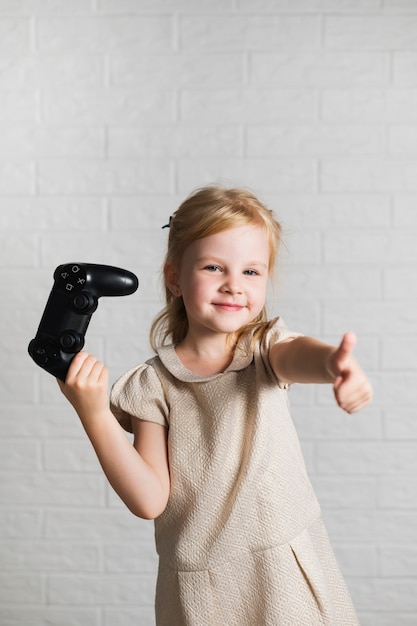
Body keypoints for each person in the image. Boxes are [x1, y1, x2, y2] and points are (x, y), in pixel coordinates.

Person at [58, 185, 372, 625]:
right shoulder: (152, 385)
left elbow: (297, 354)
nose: (233, 285)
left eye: (251, 272)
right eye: (213, 266)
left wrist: (335, 365)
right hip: (201, 589)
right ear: (174, 276)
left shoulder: (265, 350)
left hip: (280, 574)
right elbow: (149, 500)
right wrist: (93, 413)